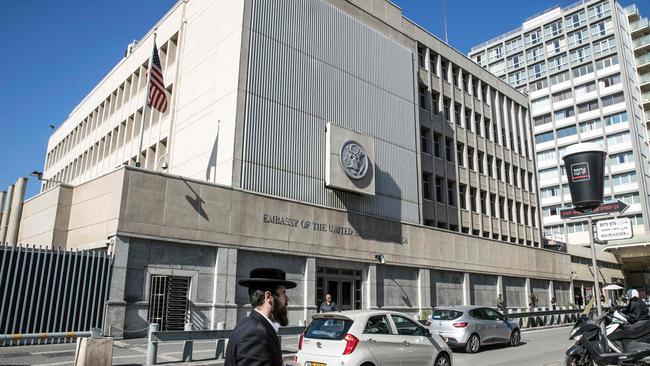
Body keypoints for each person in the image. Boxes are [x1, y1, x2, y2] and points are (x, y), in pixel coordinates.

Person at [224, 268, 296, 366]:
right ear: (268, 297)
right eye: (283, 293)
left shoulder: (250, 324)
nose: (287, 299)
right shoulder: (256, 334)